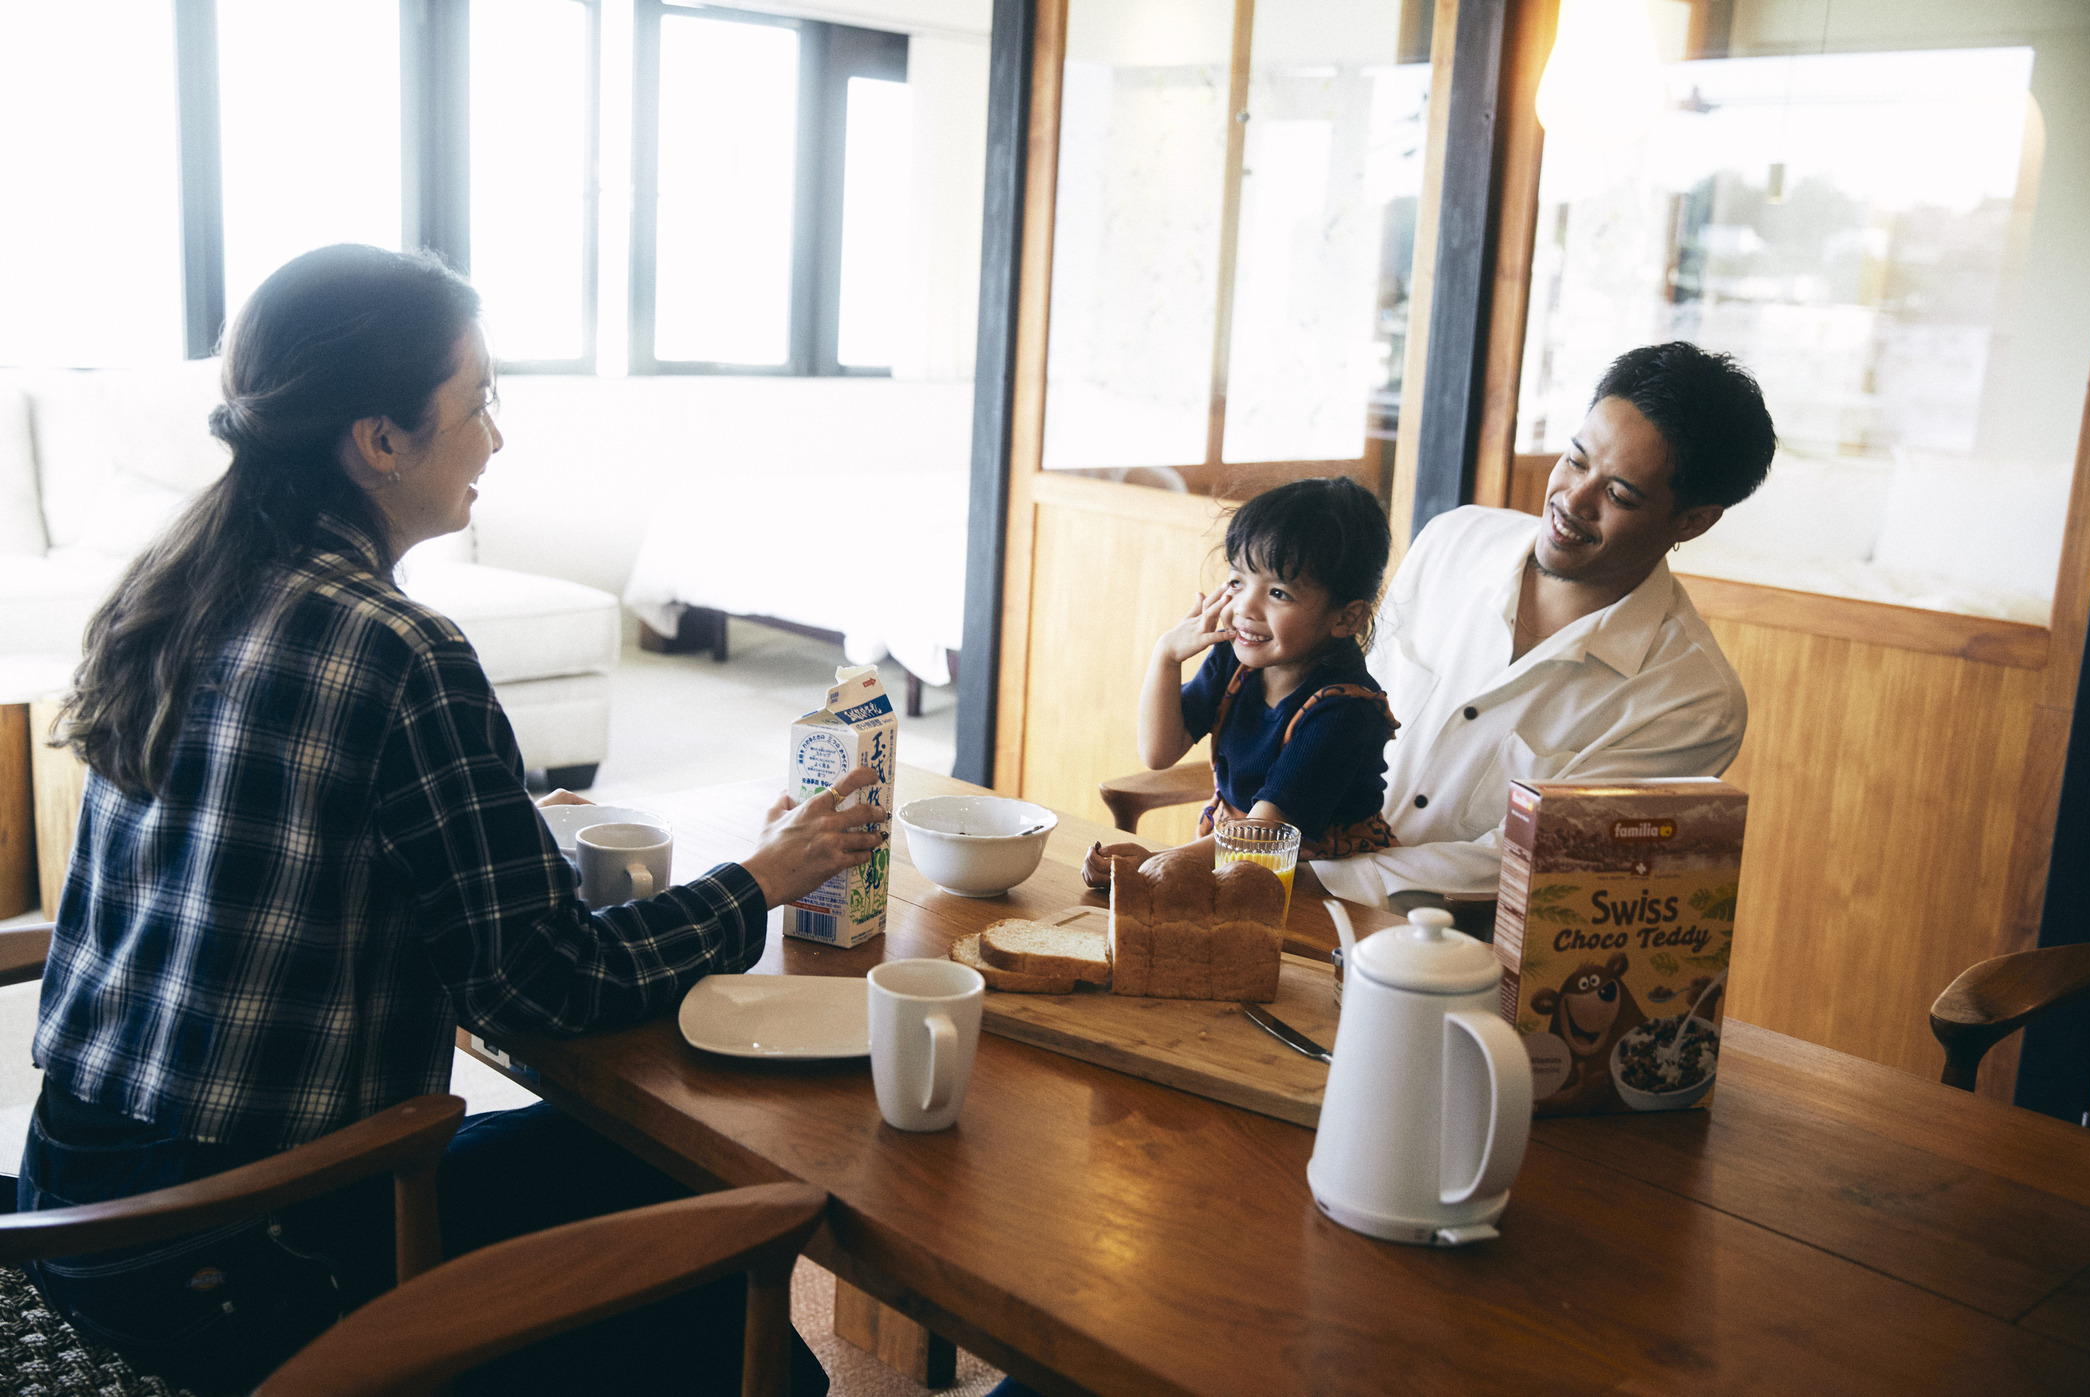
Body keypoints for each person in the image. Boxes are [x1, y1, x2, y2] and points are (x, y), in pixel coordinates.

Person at [17, 244, 883, 1395]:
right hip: (249, 1248)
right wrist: (759, 881)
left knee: (629, 1159)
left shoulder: (181, 581)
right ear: (378, 438)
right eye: (477, 402)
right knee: (726, 1261)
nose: (495, 435)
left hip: (84, 1199)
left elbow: (282, 829)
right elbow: (541, 986)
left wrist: (510, 818)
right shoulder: (397, 645)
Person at [1308, 340, 1776, 912]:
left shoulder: (1691, 702)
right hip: (1289, 883)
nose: (1572, 500)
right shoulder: (1453, 540)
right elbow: (1330, 711)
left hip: (1460, 961)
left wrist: (1317, 883)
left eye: (1620, 494)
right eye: (1576, 460)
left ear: (1694, 521)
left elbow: (1528, 863)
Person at [1082, 477, 1396, 885]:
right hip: (1236, 856)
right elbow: (1159, 751)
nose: (1245, 606)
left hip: (1325, 880)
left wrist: (1157, 859)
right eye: (1237, 581)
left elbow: (1267, 832)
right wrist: (1166, 656)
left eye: (1278, 593)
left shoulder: (1346, 710)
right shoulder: (1236, 659)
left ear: (1345, 618)